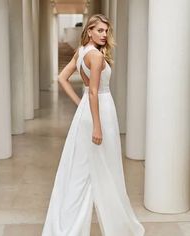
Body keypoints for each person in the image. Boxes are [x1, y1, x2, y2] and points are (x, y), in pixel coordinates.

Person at [42, 14, 145, 236]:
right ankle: (117, 226)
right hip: (101, 111)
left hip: (87, 111)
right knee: (107, 169)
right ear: (89, 31)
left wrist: (81, 104)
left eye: (106, 31)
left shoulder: (81, 52)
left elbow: (62, 78)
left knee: (81, 170)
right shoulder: (96, 57)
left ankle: (68, 226)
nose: (104, 35)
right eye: (99, 30)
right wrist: (97, 126)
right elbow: (95, 92)